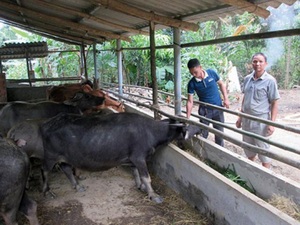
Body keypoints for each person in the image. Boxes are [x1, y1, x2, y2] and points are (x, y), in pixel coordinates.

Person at [236, 52, 280, 168]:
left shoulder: (270, 81)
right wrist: (240, 117)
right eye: (255, 61)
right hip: (247, 120)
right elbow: (245, 99)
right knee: (249, 148)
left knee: (263, 151)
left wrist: (271, 123)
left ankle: (266, 177)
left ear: (265, 64)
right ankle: (251, 172)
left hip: (261, 121)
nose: (257, 64)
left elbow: (275, 102)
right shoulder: (247, 79)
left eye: (260, 61)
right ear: (252, 63)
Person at [186, 58, 229, 147]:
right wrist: (187, 117)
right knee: (203, 133)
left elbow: (221, 84)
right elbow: (190, 101)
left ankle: (220, 152)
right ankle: (202, 151)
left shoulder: (211, 73)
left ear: (200, 67)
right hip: (205, 111)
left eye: (195, 72)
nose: (194, 75)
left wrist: (226, 98)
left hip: (218, 107)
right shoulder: (192, 83)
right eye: (192, 73)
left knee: (219, 133)